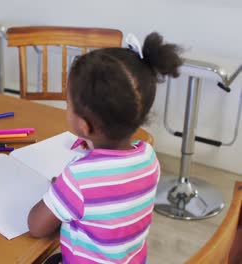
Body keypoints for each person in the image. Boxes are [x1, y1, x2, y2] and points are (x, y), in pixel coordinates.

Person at [28, 32, 183, 264]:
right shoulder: (149, 157)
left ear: (83, 125)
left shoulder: (78, 177)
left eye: (68, 103)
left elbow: (36, 227)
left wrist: (61, 191)